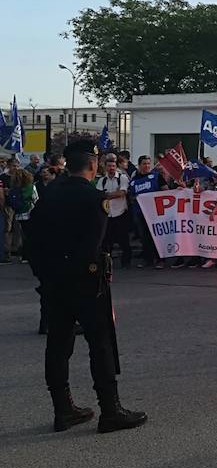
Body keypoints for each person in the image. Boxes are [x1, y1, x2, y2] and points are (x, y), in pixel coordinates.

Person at [28, 141, 147, 434]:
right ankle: (111, 410)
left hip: (54, 282)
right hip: (86, 281)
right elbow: (91, 247)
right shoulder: (95, 199)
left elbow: (32, 243)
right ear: (93, 165)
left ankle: (63, 408)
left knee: (58, 344)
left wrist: (46, 276)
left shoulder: (48, 195)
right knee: (100, 343)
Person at [129, 155, 168, 269]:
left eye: (148, 164)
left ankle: (160, 260)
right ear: (139, 165)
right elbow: (131, 196)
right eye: (144, 164)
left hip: (156, 213)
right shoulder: (134, 181)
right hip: (141, 213)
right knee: (145, 237)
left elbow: (165, 191)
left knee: (158, 237)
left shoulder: (157, 176)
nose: (146, 166)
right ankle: (148, 259)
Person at [96, 154, 132, 268]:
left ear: (116, 167)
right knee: (107, 241)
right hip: (108, 214)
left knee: (124, 240)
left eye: (113, 166)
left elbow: (122, 193)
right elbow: (99, 195)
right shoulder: (102, 180)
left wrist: (108, 195)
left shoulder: (122, 178)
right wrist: (113, 194)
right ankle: (107, 263)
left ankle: (126, 262)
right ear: (105, 167)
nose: (111, 168)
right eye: (109, 166)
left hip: (121, 213)